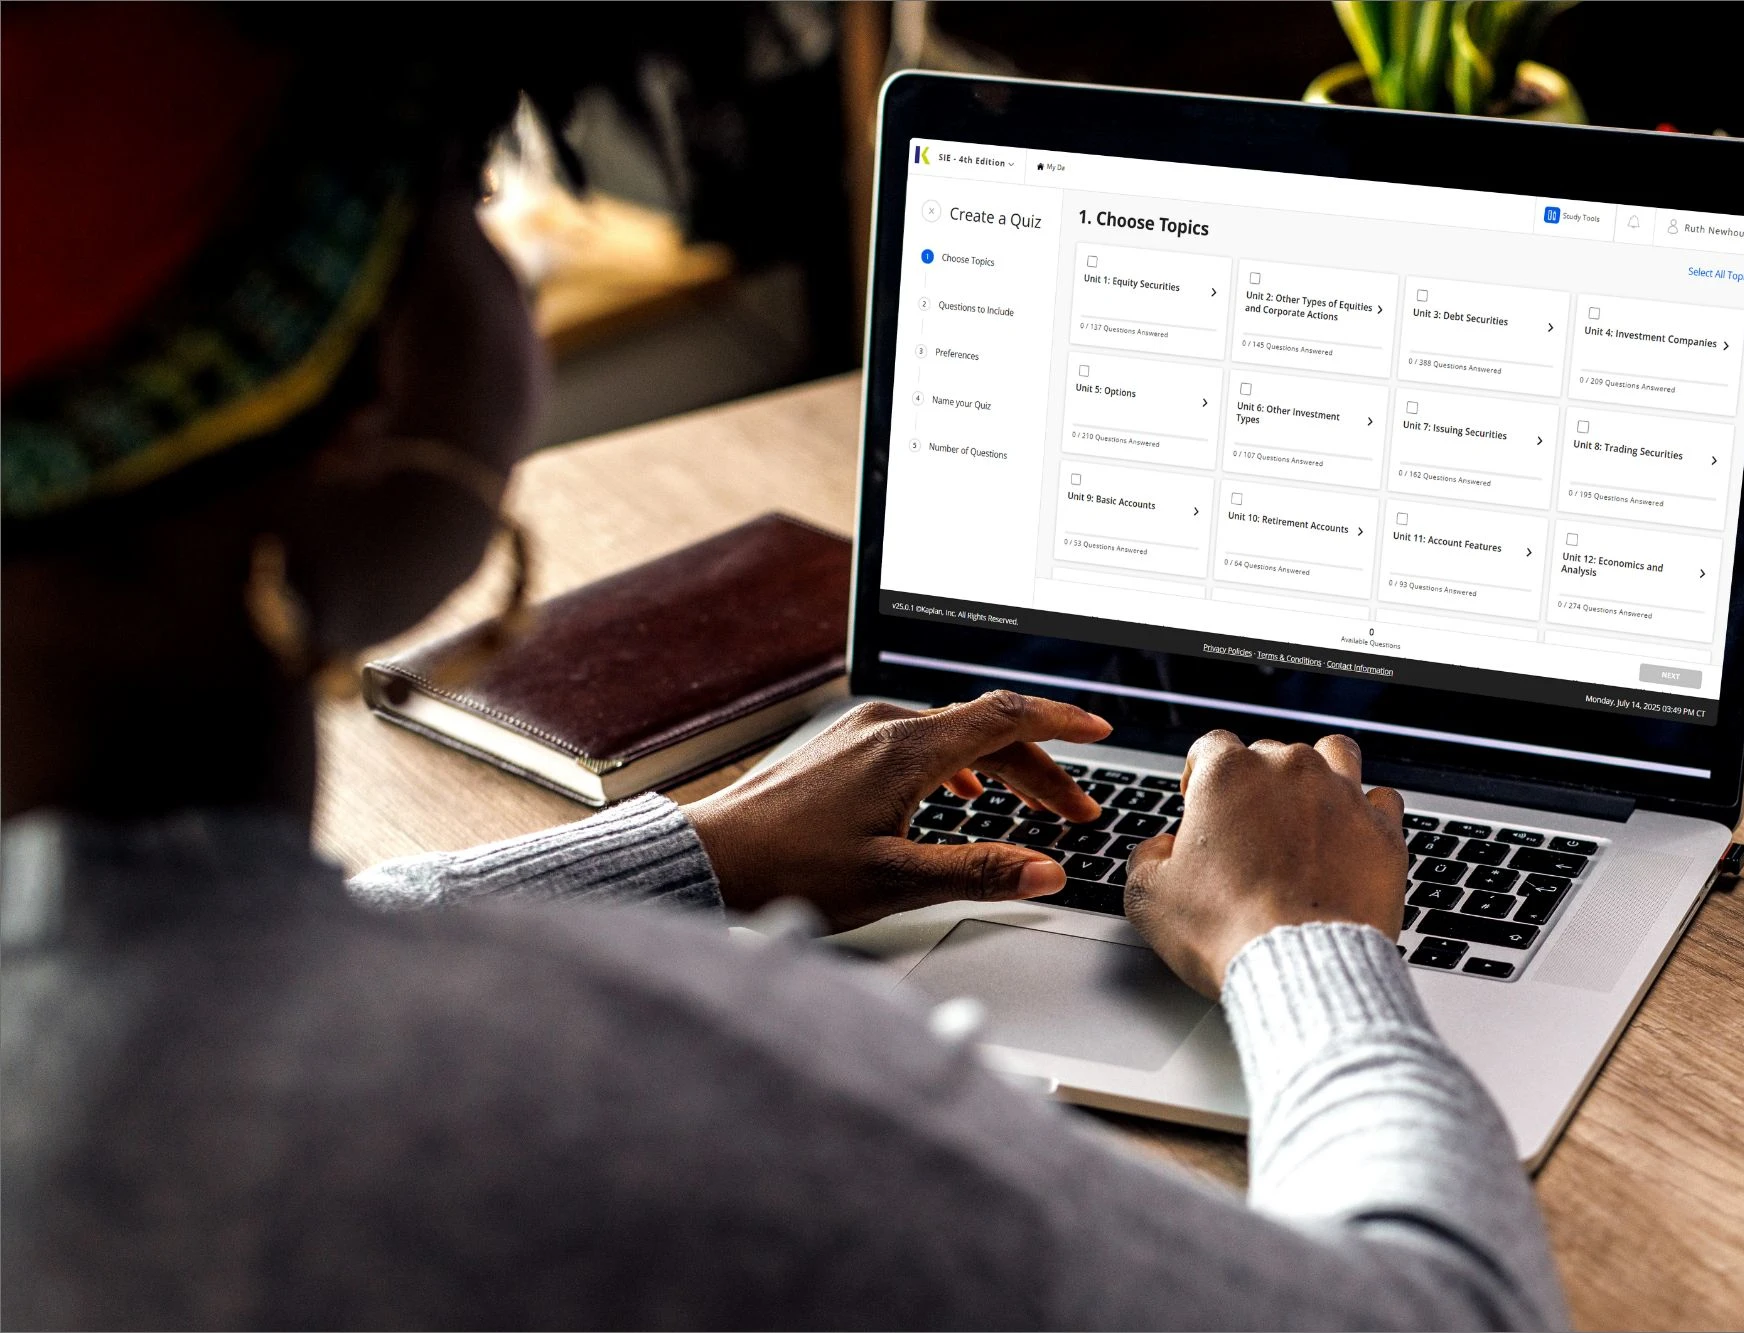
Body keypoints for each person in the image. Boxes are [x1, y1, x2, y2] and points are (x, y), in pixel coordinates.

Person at [1, 8, 1568, 1329]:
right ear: (365, 387)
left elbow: (194, 954)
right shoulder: (618, 1097)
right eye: (469, 204)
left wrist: (696, 848)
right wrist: (1300, 942)